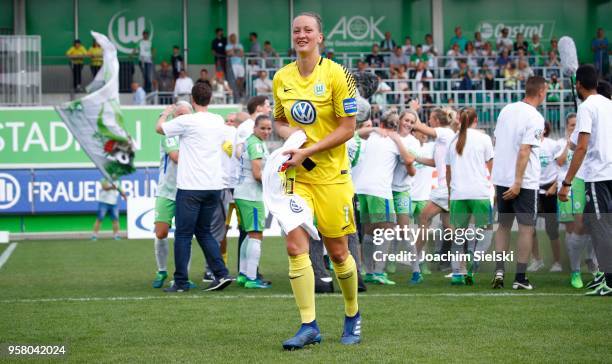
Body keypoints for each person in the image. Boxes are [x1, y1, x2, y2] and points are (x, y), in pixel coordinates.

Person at [272, 12, 362, 349]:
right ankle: (308, 324)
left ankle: (353, 314)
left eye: (308, 30)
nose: (301, 35)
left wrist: (310, 147)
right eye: (296, 30)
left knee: (339, 254)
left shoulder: (339, 75)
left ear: (320, 37)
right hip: (297, 175)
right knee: (296, 246)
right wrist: (291, 137)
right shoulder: (281, 77)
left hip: (332, 177)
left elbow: (348, 127)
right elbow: (279, 121)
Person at [156, 82, 233, 293]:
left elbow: (159, 128)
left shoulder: (187, 121)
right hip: (213, 186)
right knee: (204, 232)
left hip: (190, 187)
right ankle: (221, 273)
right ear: (210, 99)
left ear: (192, 100)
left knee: (182, 235)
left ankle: (180, 281)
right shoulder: (217, 120)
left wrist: (165, 113)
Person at [559, 64, 612, 296]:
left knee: (600, 229)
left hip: (598, 176)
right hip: (608, 173)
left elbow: (580, 147)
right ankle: (605, 277)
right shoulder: (608, 104)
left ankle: (608, 281)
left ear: (578, 84)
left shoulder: (587, 107)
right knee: (600, 227)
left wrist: (567, 182)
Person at [491, 76, 547, 290]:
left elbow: (498, 140)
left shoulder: (506, 110)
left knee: (503, 226)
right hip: (523, 181)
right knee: (526, 228)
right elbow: (524, 150)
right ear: (541, 91)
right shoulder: (535, 117)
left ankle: (499, 271)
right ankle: (520, 278)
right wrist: (517, 182)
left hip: (501, 177)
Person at [356, 111, 416, 285]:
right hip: (379, 190)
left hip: (362, 190)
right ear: (395, 125)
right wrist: (397, 139)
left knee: (368, 231)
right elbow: (409, 160)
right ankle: (379, 272)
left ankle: (368, 271)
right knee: (388, 228)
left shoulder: (371, 138)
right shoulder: (394, 140)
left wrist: (374, 129)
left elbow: (353, 134)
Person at [445, 107, 494, 285]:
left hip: (459, 193)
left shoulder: (452, 141)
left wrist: (451, 193)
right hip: (479, 192)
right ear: (476, 120)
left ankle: (458, 273)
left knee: (459, 234)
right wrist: (494, 188)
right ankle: (476, 255)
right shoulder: (484, 138)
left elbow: (448, 171)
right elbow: (491, 167)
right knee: (486, 228)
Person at [410, 108, 456, 284]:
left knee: (424, 218)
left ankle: (416, 261)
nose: (429, 122)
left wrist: (413, 114)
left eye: (430, 119)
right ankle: (460, 266)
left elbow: (423, 129)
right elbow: (436, 163)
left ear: (436, 120)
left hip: (445, 188)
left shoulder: (444, 132)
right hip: (447, 188)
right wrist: (416, 158)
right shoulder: (442, 139)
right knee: (450, 229)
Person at [555, 113, 599, 289]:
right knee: (578, 225)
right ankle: (575, 270)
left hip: (600, 178)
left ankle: (594, 264)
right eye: (571, 124)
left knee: (599, 225)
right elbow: (568, 154)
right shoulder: (572, 134)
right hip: (579, 179)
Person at [151, 101, 192, 288]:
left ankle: (183, 275)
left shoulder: (194, 137)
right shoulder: (170, 135)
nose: (182, 118)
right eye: (179, 115)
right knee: (161, 233)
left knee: (185, 235)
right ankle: (161, 270)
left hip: (187, 191)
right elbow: (175, 157)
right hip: (167, 191)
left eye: (185, 114)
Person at [234, 114, 272, 288]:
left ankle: (243, 274)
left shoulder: (250, 141)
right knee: (256, 235)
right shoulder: (256, 144)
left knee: (249, 235)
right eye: (262, 128)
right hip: (251, 195)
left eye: (269, 128)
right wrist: (275, 182)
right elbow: (257, 174)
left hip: (243, 193)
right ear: (255, 128)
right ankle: (251, 278)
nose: (266, 131)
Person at [387, 110, 421, 274]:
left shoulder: (414, 142)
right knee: (382, 229)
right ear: (399, 120)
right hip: (385, 189)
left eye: (411, 122)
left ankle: (416, 269)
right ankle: (377, 268)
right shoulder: (388, 137)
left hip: (401, 190)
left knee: (403, 231)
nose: (408, 123)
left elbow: (408, 163)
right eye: (406, 120)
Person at [527, 121, 562, 273]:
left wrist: (555, 186)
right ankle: (537, 260)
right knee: (530, 228)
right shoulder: (528, 145)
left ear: (546, 129)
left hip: (550, 191)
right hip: (533, 189)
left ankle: (557, 262)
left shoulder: (552, 145)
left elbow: (562, 167)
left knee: (552, 229)